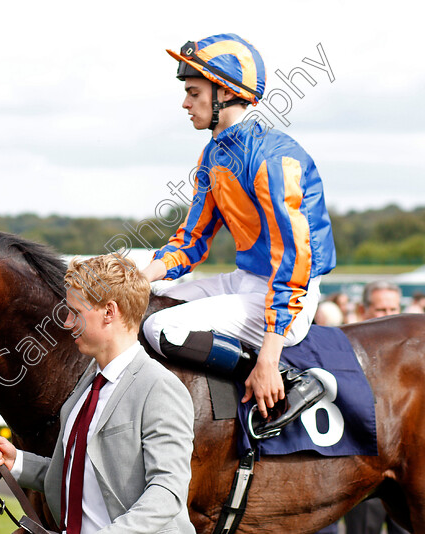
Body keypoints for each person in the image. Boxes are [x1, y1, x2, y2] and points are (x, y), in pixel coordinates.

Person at [139, 33, 336, 438]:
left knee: (160, 330)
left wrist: (267, 354)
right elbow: (192, 238)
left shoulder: (274, 156)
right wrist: (143, 276)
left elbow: (295, 261)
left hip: (288, 296)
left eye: (194, 93)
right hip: (245, 280)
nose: (185, 103)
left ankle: (288, 379)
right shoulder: (214, 154)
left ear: (224, 93)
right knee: (141, 306)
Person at [0, 254, 195, 533]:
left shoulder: (160, 388)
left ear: (109, 312)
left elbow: (167, 495)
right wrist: (17, 461)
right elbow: (79, 474)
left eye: (76, 312)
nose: (67, 322)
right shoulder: (87, 386)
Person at [343, 281, 407, 534]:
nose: (389, 316)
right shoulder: (344, 352)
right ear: (363, 309)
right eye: (381, 310)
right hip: (365, 468)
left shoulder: (415, 352)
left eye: (393, 308)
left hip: (408, 469)